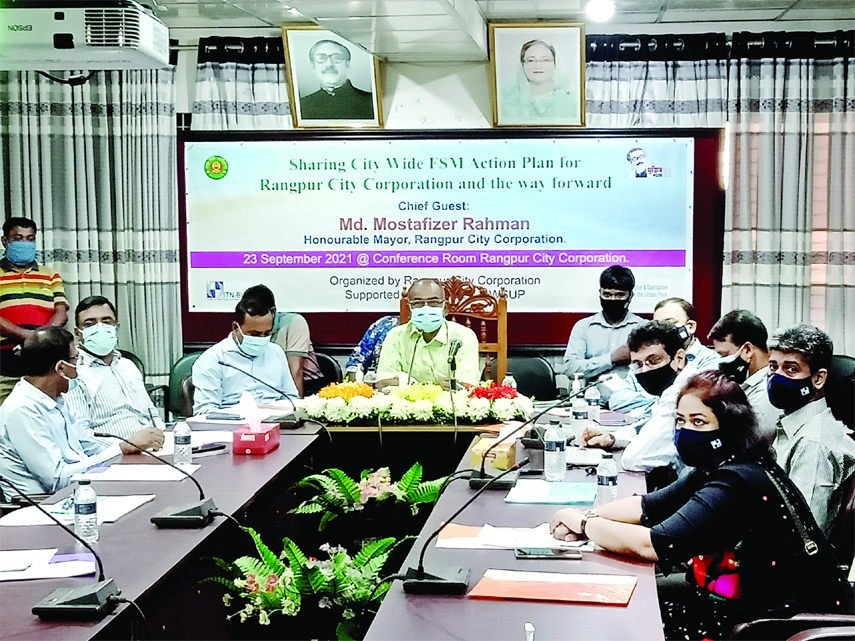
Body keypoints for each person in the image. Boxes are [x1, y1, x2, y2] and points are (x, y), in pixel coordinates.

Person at [550, 370, 853, 640]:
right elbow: (648, 506)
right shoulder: (720, 465)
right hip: (736, 600)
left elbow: (654, 544)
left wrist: (584, 525)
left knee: (629, 615)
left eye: (699, 421)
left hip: (774, 622)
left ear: (729, 426)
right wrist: (586, 515)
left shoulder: (737, 482)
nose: (686, 431)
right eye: (680, 421)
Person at [0, 327, 158, 497]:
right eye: (76, 359)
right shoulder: (23, 410)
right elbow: (57, 479)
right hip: (43, 506)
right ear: (61, 367)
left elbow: (88, 446)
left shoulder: (56, 399)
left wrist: (127, 446)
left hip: (79, 493)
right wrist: (120, 448)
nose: (79, 366)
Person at [581, 321, 697, 483]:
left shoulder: (683, 393)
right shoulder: (681, 384)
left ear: (679, 358)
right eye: (638, 364)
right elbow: (648, 425)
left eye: (654, 360)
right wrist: (613, 438)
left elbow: (634, 460)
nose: (646, 370)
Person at [767, 324, 855, 536]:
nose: (777, 377)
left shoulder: (813, 443)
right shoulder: (790, 427)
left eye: (791, 369)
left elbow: (803, 533)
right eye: (773, 367)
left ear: (818, 379)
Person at [63, 296, 166, 448]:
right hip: (114, 458)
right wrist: (126, 446)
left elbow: (154, 416)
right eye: (89, 324)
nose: (100, 328)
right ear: (78, 333)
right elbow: (82, 438)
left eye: (106, 321)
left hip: (155, 450)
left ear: (116, 327)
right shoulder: (74, 372)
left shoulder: (128, 366)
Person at [192, 285, 298, 415]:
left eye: (267, 333)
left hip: (278, 425)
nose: (262, 339)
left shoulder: (276, 352)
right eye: (255, 334)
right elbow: (205, 412)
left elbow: (292, 399)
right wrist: (245, 415)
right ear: (236, 327)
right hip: (232, 427)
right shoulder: (213, 360)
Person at [608, 297, 720, 417]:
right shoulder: (643, 360)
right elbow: (617, 401)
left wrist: (641, 409)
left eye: (669, 323)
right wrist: (663, 401)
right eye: (657, 324)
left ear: (690, 326)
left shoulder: (711, 360)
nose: (662, 330)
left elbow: (695, 403)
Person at [0, 217, 68, 405]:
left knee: (43, 413)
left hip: (45, 360)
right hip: (5, 362)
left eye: (30, 239)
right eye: (18, 238)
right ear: (5, 241)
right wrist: (28, 336)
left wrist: (39, 339)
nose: (25, 243)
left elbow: (61, 313)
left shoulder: (50, 274)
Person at [375, 279, 479, 390]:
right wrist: (436, 388)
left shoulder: (462, 337)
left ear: (445, 307)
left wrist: (406, 384)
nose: (426, 308)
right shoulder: (395, 336)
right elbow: (384, 384)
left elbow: (466, 387)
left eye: (433, 302)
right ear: (409, 309)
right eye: (418, 303)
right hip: (405, 406)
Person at [708, 309, 779, 442]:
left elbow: (745, 441)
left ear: (747, 350)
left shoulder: (767, 392)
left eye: (724, 355)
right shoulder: (745, 382)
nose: (720, 362)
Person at [563, 266, 643, 382]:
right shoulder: (583, 327)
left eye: (619, 295)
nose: (613, 299)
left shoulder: (642, 328)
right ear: (599, 294)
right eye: (607, 294)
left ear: (630, 296)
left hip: (635, 399)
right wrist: (611, 359)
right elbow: (571, 369)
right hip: (593, 398)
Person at [500, 39, 578, 123]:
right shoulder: (506, 102)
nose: (538, 66)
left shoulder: (572, 101)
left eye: (545, 60)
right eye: (531, 60)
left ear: (555, 64)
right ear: (522, 65)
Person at [299, 40, 374, 120]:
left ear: (347, 64)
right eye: (321, 58)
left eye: (337, 58)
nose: (329, 64)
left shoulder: (371, 102)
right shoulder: (302, 105)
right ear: (313, 66)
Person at [272, 311, 323, 397]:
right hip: (272, 385)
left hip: (306, 385)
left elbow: (296, 371)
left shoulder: (293, 321)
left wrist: (295, 406)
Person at [344, 315, 399, 381]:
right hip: (374, 384)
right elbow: (356, 363)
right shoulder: (384, 325)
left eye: (415, 304)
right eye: (412, 304)